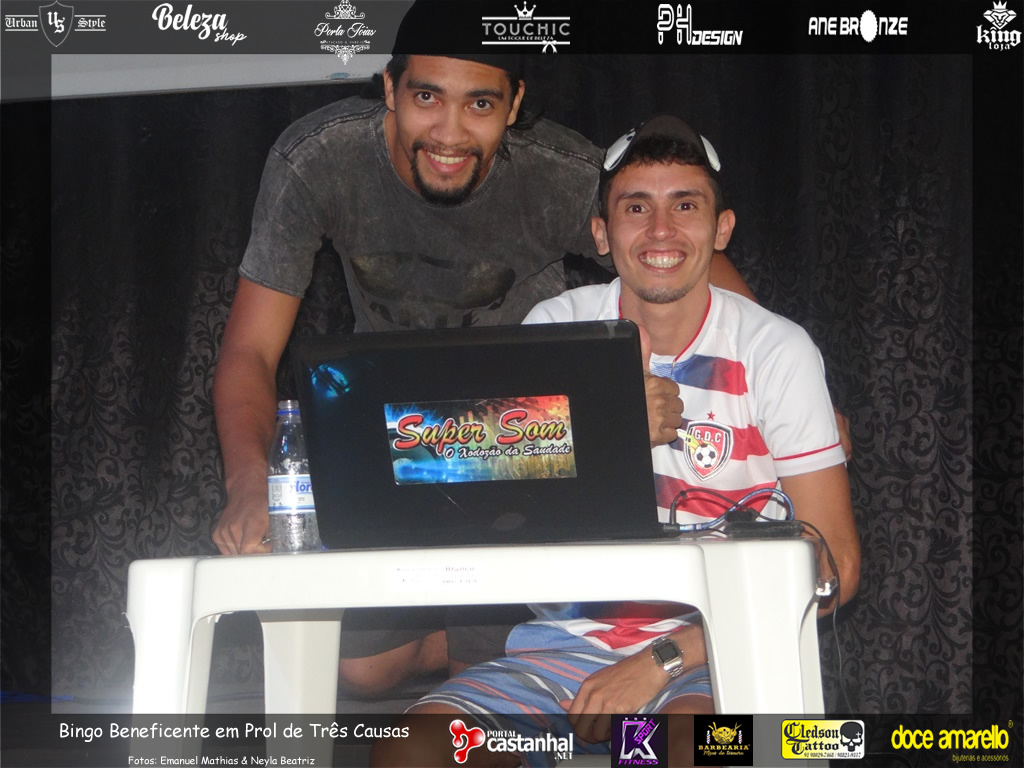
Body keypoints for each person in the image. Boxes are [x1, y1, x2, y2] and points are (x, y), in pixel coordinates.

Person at [211, 52, 755, 697]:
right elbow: (250, 350)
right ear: (389, 89)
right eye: (427, 97)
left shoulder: (558, 171)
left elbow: (679, 245)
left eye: (480, 104)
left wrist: (770, 378)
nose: (450, 132)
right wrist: (248, 484)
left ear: (514, 105)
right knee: (362, 669)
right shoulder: (321, 158)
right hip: (397, 432)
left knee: (481, 681)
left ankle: (509, 658)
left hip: (522, 442)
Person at [371, 115, 861, 767]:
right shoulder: (555, 330)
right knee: (415, 749)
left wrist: (662, 659)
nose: (660, 230)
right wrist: (612, 431)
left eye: (684, 205)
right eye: (636, 207)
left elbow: (836, 566)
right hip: (559, 651)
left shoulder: (775, 349)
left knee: (671, 749)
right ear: (602, 234)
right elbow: (481, 492)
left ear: (721, 230)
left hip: (712, 648)